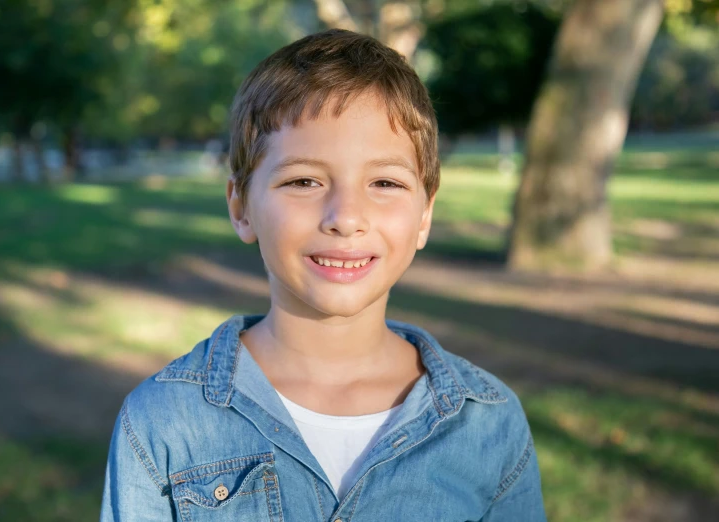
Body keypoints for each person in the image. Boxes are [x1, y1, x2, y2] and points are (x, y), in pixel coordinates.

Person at [100, 29, 546, 522]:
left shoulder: (489, 423)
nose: (345, 216)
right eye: (304, 181)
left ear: (425, 215)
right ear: (241, 205)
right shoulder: (163, 422)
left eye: (385, 182)